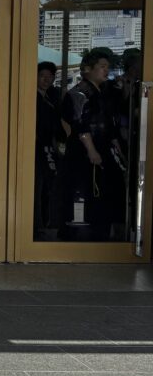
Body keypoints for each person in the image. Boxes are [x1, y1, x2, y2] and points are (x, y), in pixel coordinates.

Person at [57, 49, 124, 241]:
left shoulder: (101, 92)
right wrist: (92, 150)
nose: (106, 71)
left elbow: (109, 124)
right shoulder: (79, 93)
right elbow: (80, 125)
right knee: (90, 191)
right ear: (88, 69)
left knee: (102, 192)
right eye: (102, 67)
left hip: (102, 147)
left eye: (107, 67)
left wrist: (116, 147)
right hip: (85, 151)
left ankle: (100, 231)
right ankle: (86, 233)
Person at [34, 61, 62, 236]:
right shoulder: (32, 98)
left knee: (47, 186)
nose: (46, 79)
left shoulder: (52, 96)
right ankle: (37, 225)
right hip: (37, 148)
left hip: (49, 147)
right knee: (38, 187)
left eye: (50, 76)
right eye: (42, 76)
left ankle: (45, 222)